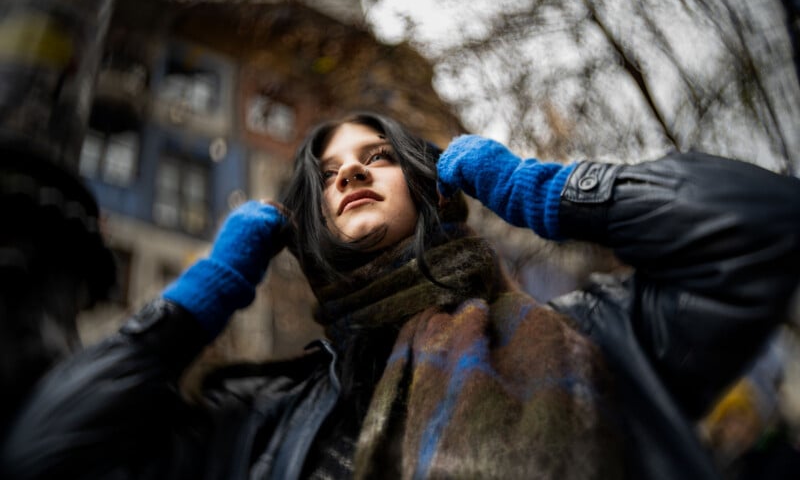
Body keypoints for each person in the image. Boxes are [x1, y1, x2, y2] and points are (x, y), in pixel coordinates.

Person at [1, 112, 799, 480]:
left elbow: (760, 227)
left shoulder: (597, 337)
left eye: (376, 156)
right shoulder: (254, 421)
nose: (347, 171)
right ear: (305, 223)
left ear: (429, 190)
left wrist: (542, 192)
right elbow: (44, 456)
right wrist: (201, 296)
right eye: (326, 171)